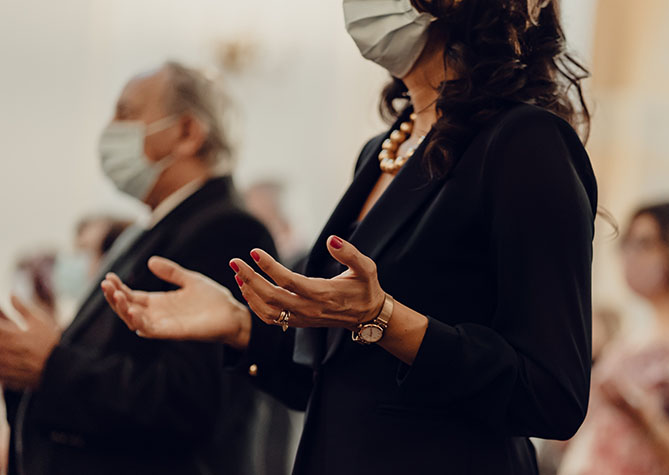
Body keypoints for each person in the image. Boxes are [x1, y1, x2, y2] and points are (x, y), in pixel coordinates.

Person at [103, 1, 598, 473]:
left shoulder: (526, 142)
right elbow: (337, 379)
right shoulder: (381, 150)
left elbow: (551, 396)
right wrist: (240, 326)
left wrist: (384, 317)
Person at [0, 61, 277, 475]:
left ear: (187, 133)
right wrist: (35, 359)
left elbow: (188, 401)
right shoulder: (154, 226)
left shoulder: (226, 229)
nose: (110, 128)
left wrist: (54, 364)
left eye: (126, 113)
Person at [559, 201, 669, 475]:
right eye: (627, 242)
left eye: (643, 243)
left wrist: (644, 417)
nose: (627, 255)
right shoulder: (634, 339)